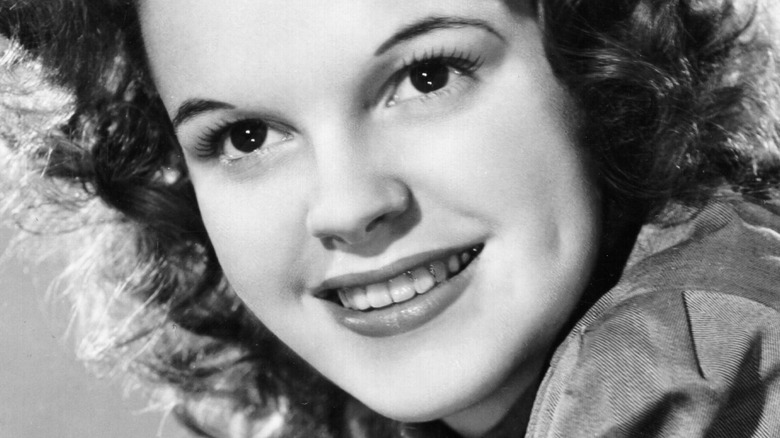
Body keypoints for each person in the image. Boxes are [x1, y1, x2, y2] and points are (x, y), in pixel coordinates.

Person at [1, 0, 779, 437]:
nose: (347, 205)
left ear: (597, 63)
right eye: (246, 137)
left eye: (426, 76)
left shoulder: (687, 372)